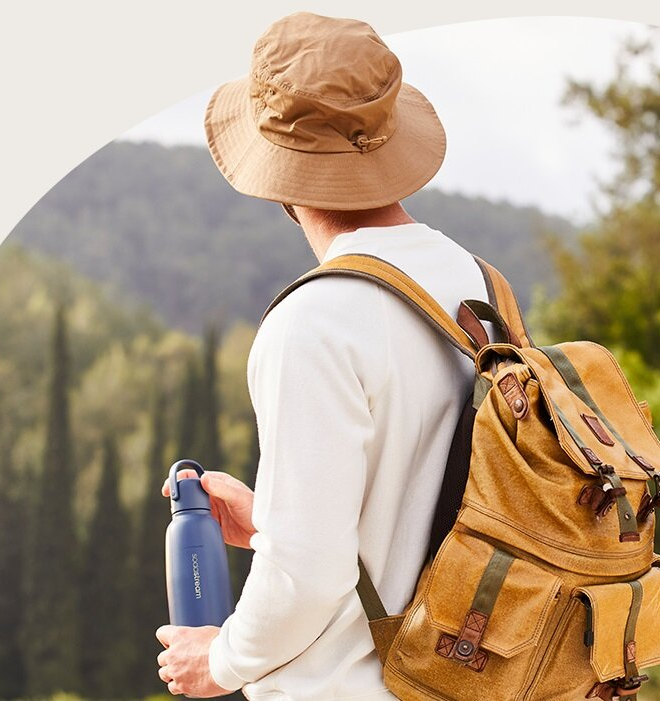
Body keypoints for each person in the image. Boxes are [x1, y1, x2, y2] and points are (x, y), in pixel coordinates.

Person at [155, 12, 491, 700]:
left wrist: (218, 662)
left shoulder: (312, 322)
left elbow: (307, 578)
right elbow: (430, 500)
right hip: (461, 678)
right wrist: (274, 520)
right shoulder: (477, 285)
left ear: (280, 175)